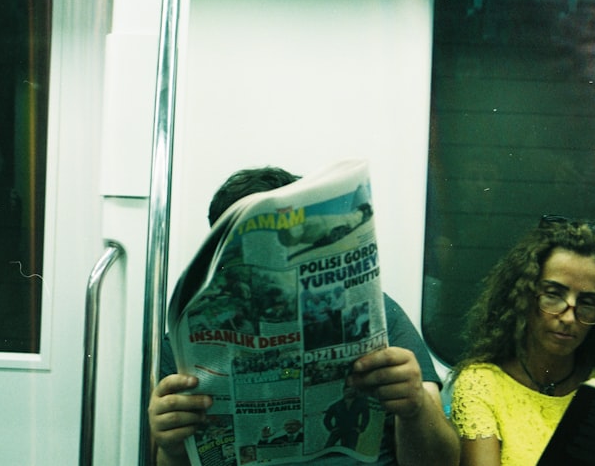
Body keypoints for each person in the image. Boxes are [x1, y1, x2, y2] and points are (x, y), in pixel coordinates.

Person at [148, 166, 460, 466]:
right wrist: (172, 450)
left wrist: (416, 408)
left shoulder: (378, 315)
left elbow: (442, 463)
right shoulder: (188, 342)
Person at [450, 215, 595, 465]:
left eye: (587, 303)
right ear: (524, 297)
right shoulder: (482, 384)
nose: (568, 317)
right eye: (553, 294)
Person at [323, 381, 371, 450]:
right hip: (338, 429)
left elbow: (366, 416)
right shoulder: (336, 405)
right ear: (344, 391)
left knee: (350, 450)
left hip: (352, 430)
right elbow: (326, 419)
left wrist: (361, 428)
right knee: (327, 449)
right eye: (347, 391)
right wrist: (331, 428)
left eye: (351, 390)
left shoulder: (360, 403)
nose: (349, 392)